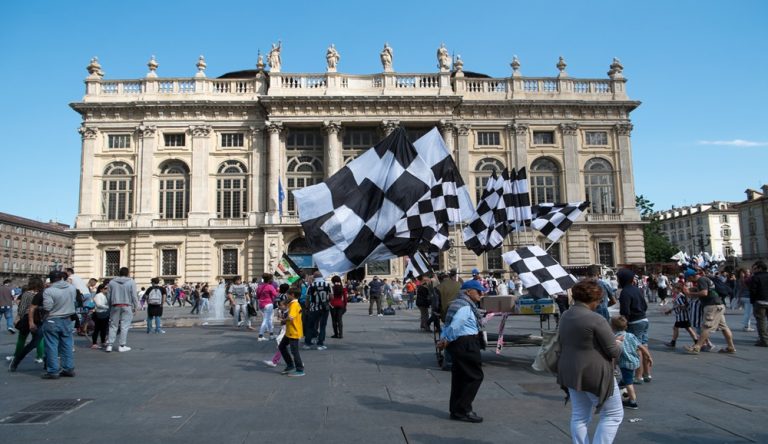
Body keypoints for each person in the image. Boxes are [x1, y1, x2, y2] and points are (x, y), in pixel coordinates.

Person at [558, 280, 624, 443]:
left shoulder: (566, 314)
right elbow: (613, 352)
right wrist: (619, 343)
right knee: (613, 414)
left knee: (579, 415)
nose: (600, 303)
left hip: (570, 370)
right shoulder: (596, 319)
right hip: (594, 372)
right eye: (600, 300)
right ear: (594, 299)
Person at [437, 280, 487, 423]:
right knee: (474, 377)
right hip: (466, 344)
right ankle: (464, 410)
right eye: (478, 291)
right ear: (468, 292)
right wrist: (446, 339)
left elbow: (448, 324)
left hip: (459, 344)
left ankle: (456, 410)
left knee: (459, 378)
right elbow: (455, 325)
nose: (481, 294)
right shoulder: (465, 306)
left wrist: (444, 339)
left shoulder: (457, 304)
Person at [683, 268, 737, 354]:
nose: (688, 280)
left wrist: (690, 293)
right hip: (718, 305)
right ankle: (731, 347)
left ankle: (697, 347)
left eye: (688, 278)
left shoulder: (701, 280)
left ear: (691, 276)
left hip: (712, 306)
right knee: (724, 327)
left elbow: (704, 293)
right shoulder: (705, 279)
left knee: (706, 327)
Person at [617, 268, 652, 383]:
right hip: (644, 320)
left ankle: (638, 375)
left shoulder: (625, 292)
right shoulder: (637, 290)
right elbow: (645, 306)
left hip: (634, 322)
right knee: (644, 346)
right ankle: (647, 374)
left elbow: (625, 311)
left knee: (636, 347)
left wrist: (623, 323)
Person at [41, 271, 78, 379]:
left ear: (51, 279)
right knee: (67, 345)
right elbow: (74, 301)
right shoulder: (71, 288)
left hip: (52, 319)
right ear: (62, 278)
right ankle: (68, 369)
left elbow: (47, 307)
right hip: (67, 319)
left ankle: (53, 371)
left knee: (52, 345)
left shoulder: (49, 291)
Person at [611, 315, 651, 410]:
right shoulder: (631, 335)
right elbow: (641, 346)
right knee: (626, 379)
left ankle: (633, 402)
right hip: (634, 362)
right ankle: (623, 384)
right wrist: (649, 356)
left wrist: (613, 367)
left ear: (612, 327)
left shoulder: (615, 338)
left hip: (625, 363)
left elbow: (613, 354)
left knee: (629, 383)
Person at [8, 277, 45, 372]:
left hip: (26, 318)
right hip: (38, 319)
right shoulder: (42, 294)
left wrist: (17, 318)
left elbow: (22, 308)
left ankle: (17, 356)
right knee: (38, 339)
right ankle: (39, 356)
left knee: (22, 338)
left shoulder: (27, 294)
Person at [105, 267, 139, 353]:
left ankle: (109, 345)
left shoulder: (112, 282)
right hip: (127, 305)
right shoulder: (131, 282)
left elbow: (108, 295)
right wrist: (136, 306)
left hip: (115, 305)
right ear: (128, 273)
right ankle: (122, 345)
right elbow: (134, 295)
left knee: (113, 325)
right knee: (124, 326)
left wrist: (109, 306)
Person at [278, 288, 304, 377]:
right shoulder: (293, 303)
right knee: (282, 346)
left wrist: (283, 321)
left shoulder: (294, 305)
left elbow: (291, 317)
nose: (286, 296)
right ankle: (290, 365)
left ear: (292, 295)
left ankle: (300, 369)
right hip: (290, 331)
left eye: (288, 294)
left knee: (294, 351)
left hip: (293, 331)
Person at [663, 283, 698, 347]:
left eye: (674, 288)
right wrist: (671, 310)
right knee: (687, 329)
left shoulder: (679, 296)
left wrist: (677, 306)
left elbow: (683, 306)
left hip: (682, 316)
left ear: (678, 289)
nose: (673, 290)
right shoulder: (680, 295)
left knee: (677, 328)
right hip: (683, 316)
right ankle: (696, 341)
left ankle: (673, 342)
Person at [304, 271, 331, 350]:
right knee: (323, 326)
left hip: (314, 308)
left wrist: (306, 307)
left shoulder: (311, 285)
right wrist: (326, 301)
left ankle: (308, 343)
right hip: (324, 309)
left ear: (314, 277)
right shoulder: (327, 285)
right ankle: (320, 343)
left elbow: (307, 298)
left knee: (310, 325)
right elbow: (331, 296)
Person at [747, 261, 768, 347]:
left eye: (755, 268)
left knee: (761, 321)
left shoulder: (755, 277)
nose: (753, 270)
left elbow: (753, 291)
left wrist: (752, 301)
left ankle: (764, 340)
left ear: (760, 268)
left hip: (760, 301)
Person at [256, 273, 278, 341]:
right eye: (272, 279)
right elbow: (276, 295)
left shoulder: (259, 286)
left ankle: (271, 334)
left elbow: (257, 296)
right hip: (268, 304)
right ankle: (260, 336)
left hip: (261, 304)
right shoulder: (270, 286)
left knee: (268, 320)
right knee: (266, 320)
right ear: (269, 280)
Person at [90, 283, 110, 349]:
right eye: (105, 288)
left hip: (105, 314)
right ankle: (94, 343)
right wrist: (107, 307)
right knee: (97, 329)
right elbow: (98, 305)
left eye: (107, 288)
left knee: (103, 329)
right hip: (99, 314)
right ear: (101, 289)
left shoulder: (105, 295)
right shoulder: (98, 295)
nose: (107, 289)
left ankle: (103, 341)